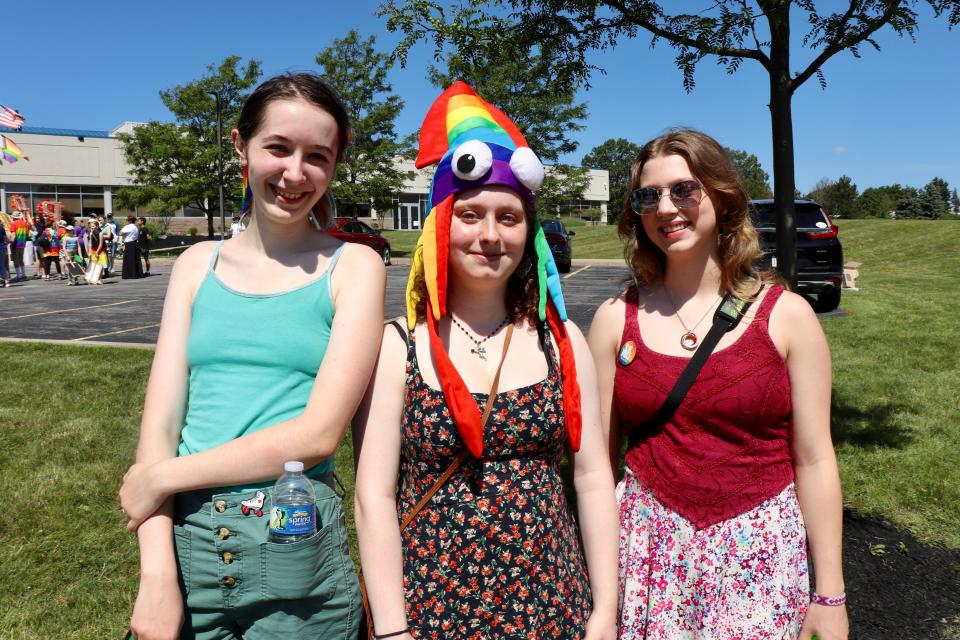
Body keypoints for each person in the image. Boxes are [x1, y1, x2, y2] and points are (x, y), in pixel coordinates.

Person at [118, 72, 385, 640]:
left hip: (294, 553)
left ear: (335, 165)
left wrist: (160, 477)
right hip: (185, 542)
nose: (295, 173)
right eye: (278, 148)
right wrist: (156, 574)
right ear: (241, 145)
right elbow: (159, 426)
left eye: (317, 156)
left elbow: (316, 436)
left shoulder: (355, 268)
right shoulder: (195, 265)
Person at [355, 82, 618, 640]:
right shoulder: (399, 346)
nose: (491, 235)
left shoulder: (563, 340)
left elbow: (593, 479)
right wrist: (394, 628)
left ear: (530, 233)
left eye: (510, 217)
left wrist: (605, 609)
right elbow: (373, 495)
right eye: (471, 215)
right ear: (440, 225)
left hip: (552, 604)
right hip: (430, 609)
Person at [586, 129, 848, 640]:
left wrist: (830, 595)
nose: (666, 207)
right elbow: (596, 466)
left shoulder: (787, 317)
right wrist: (602, 600)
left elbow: (815, 459)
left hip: (758, 555)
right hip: (647, 553)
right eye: (649, 196)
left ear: (721, 196)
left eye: (684, 190)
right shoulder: (615, 319)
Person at [9, 212, 31, 282]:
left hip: (15, 244)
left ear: (13, 217)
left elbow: (13, 235)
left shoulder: (13, 223)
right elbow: (29, 235)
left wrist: (10, 241)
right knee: (21, 259)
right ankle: (23, 274)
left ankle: (18, 276)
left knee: (16, 260)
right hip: (22, 243)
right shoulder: (25, 223)